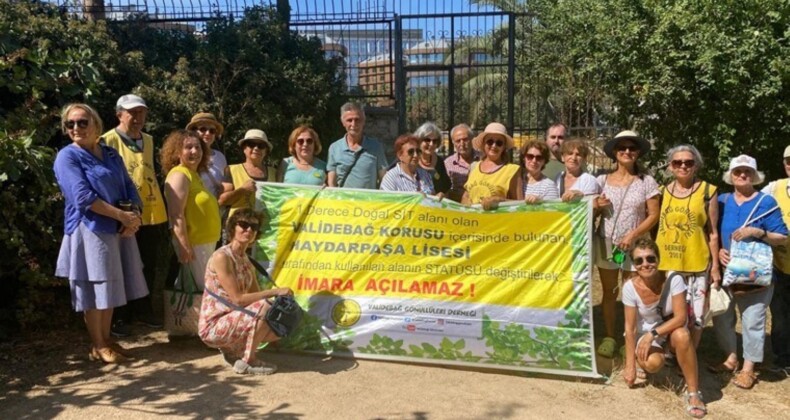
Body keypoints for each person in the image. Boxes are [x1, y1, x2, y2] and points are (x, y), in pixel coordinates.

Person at [54, 103, 148, 363]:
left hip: (117, 230)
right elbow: (82, 196)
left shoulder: (110, 153)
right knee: (94, 289)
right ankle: (97, 344)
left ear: (96, 124)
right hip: (89, 232)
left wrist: (134, 217)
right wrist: (121, 216)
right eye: (70, 124)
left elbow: (129, 187)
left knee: (110, 287)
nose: (76, 128)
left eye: (82, 122)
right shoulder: (67, 157)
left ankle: (106, 341)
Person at [713, 154, 787, 389]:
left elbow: (782, 237)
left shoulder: (766, 202)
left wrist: (758, 233)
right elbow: (710, 232)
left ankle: (749, 368)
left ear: (755, 176)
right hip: (725, 271)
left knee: (753, 320)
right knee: (722, 316)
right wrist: (717, 254)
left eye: (747, 172)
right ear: (730, 175)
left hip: (756, 274)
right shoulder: (722, 200)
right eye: (738, 171)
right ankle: (731, 357)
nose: (742, 175)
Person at [102, 94, 168, 336]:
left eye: (141, 112)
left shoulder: (149, 140)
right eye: (132, 112)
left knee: (148, 263)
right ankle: (121, 315)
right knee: (122, 263)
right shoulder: (107, 140)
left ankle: (145, 309)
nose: (138, 117)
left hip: (150, 211)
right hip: (124, 213)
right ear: (119, 114)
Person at [199, 208, 294, 375]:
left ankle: (233, 351)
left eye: (254, 227)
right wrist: (275, 292)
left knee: (278, 316)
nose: (248, 230)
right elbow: (238, 300)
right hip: (213, 325)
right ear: (232, 228)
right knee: (266, 307)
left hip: (233, 318)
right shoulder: (222, 257)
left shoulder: (246, 260)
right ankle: (248, 361)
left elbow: (254, 298)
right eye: (243, 225)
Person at [622, 238, 706, 419]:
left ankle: (693, 393)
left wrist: (653, 334)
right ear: (634, 265)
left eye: (650, 259)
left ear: (658, 260)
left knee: (683, 335)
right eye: (639, 261)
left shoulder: (673, 278)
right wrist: (630, 366)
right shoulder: (629, 288)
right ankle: (640, 360)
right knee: (653, 364)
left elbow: (680, 317)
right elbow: (629, 329)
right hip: (645, 334)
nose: (646, 264)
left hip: (666, 332)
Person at [594, 130, 660, 358]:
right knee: (610, 292)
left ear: (638, 153)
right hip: (607, 245)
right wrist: (595, 205)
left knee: (634, 292)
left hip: (636, 247)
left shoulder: (646, 181)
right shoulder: (602, 180)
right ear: (614, 152)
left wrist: (632, 235)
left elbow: (654, 214)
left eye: (632, 148)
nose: (627, 151)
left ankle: (631, 337)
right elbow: (589, 208)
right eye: (622, 148)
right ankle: (611, 336)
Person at [655, 145, 720, 348]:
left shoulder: (708, 191)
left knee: (697, 315)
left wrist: (716, 266)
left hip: (696, 262)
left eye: (688, 162)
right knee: (668, 311)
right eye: (677, 162)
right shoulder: (661, 192)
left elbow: (712, 232)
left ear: (696, 166)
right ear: (670, 166)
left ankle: (690, 354)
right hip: (667, 262)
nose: (683, 166)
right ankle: (669, 351)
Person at [162, 130, 222, 290]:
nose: (194, 151)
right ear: (177, 152)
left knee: (199, 291)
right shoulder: (179, 175)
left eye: (198, 147)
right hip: (195, 245)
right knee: (205, 291)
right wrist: (184, 246)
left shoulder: (193, 175)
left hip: (204, 244)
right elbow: (176, 214)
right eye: (188, 147)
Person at [761, 145, 790, 373]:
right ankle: (782, 359)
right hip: (779, 265)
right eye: (789, 161)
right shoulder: (773, 188)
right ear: (784, 164)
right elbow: (753, 207)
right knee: (779, 316)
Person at [462, 122, 523, 210]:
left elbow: (520, 205)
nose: (494, 146)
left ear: (504, 147)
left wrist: (499, 200)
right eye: (490, 142)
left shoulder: (512, 171)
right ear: (483, 144)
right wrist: (465, 201)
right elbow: (466, 196)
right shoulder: (474, 167)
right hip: (474, 221)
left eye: (499, 143)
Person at [327, 102, 388, 189]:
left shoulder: (376, 147)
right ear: (343, 122)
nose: (353, 124)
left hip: (367, 201)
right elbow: (331, 183)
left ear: (363, 121)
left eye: (357, 119)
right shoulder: (334, 148)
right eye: (349, 120)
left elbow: (384, 179)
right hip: (344, 201)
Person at [219, 129, 276, 219]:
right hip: (238, 227)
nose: (256, 148)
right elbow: (222, 200)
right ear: (244, 148)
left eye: (261, 146)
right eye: (251, 144)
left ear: (266, 150)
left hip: (267, 227)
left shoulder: (274, 173)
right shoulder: (231, 170)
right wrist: (242, 190)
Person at [186, 112, 226, 198]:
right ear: (193, 131)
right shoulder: (187, 156)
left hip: (217, 209)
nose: (208, 133)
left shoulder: (220, 157)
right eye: (203, 129)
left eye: (212, 131)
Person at [414, 122, 451, 195]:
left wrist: (441, 195)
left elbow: (446, 188)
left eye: (435, 141)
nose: (431, 144)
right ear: (419, 140)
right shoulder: (410, 158)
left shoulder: (439, 162)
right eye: (427, 140)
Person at [444, 123, 477, 202]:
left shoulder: (483, 159)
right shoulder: (448, 164)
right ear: (453, 143)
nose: (462, 144)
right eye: (458, 141)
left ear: (472, 139)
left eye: (465, 139)